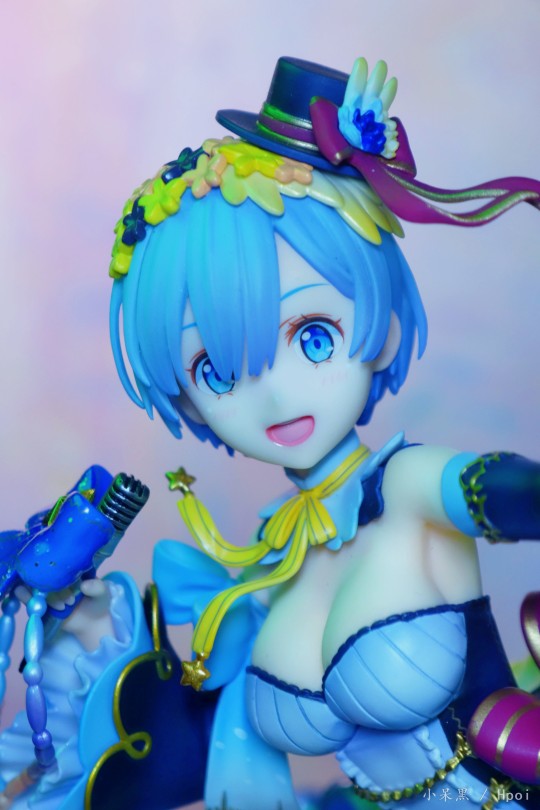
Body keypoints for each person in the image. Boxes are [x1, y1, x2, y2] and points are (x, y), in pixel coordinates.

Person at [2, 55, 540, 810]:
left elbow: (502, 491)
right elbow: (200, 749)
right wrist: (87, 635)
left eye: (314, 335)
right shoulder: (269, 559)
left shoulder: (407, 489)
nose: (275, 392)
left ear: (381, 328)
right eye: (217, 371)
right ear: (191, 403)